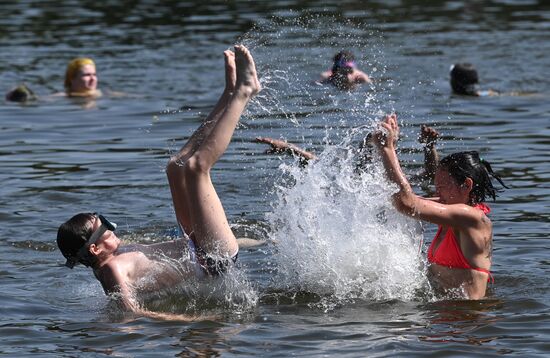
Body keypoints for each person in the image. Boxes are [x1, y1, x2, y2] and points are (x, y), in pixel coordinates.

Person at [56, 45, 261, 319]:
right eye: (103, 227)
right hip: (212, 259)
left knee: (175, 167)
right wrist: (191, 319)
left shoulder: (112, 255)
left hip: (195, 244)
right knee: (196, 167)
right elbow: (133, 312)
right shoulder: (110, 271)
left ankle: (228, 95)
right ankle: (244, 92)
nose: (111, 226)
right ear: (94, 248)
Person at [371, 114, 507, 299]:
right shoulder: (452, 210)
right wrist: (421, 148)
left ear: (466, 185)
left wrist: (387, 149)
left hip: (465, 321)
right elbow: (403, 199)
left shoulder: (472, 218)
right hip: (444, 318)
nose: (437, 194)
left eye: (441, 188)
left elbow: (407, 203)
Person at [255, 124, 441, 183]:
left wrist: (429, 147)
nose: (374, 152)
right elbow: (315, 162)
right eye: (371, 146)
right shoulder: (349, 177)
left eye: (379, 147)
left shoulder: (392, 180)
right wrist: (288, 148)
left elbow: (430, 175)